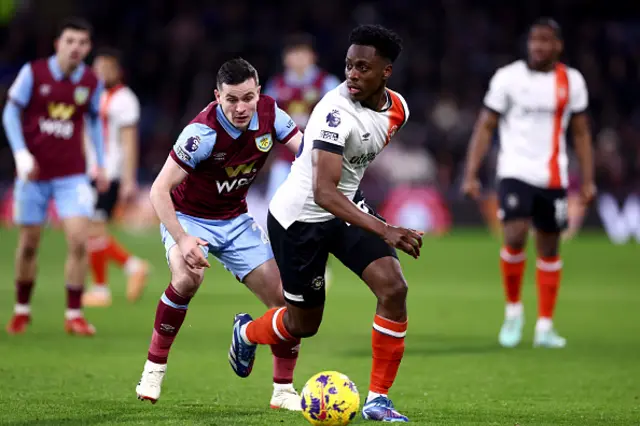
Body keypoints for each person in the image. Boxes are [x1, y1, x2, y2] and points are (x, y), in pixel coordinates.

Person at [228, 25, 422, 422]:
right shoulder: (334, 112)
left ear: (386, 71)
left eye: (363, 68)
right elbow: (323, 192)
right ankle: (247, 333)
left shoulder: (398, 109)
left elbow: (350, 177)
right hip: (300, 220)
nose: (352, 74)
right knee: (304, 325)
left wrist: (371, 220)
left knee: (394, 287)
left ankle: (377, 400)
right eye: (349, 66)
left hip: (344, 208)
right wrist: (385, 228)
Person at [135, 58, 304, 411]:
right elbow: (158, 190)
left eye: (248, 97)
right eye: (231, 100)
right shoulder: (202, 133)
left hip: (235, 219)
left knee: (287, 303)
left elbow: (307, 154)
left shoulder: (273, 114)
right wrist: (182, 238)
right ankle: (154, 368)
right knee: (187, 278)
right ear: (217, 96)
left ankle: (283, 390)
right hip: (189, 218)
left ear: (259, 92)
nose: (241, 108)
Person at [462, 18, 595, 349]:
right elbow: (485, 125)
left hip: (554, 176)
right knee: (515, 236)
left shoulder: (572, 80)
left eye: (546, 40)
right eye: (534, 40)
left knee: (550, 247)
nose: (538, 46)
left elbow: (580, 131)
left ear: (558, 45)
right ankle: (513, 313)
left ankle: (545, 326)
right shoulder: (508, 78)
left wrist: (589, 180)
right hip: (515, 171)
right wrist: (470, 172)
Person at [3, 17, 107, 336]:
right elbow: (10, 112)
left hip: (71, 175)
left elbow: (91, 123)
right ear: (57, 44)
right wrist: (20, 153)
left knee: (78, 240)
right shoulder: (33, 73)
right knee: (29, 244)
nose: (76, 48)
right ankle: (22, 310)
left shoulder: (91, 81)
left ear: (88, 48)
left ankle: (74, 314)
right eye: (70, 41)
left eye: (83, 43)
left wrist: (99, 163)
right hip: (34, 174)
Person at [82, 47, 149, 307]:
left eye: (106, 69)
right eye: (97, 69)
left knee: (95, 229)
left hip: (111, 173)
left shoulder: (125, 99)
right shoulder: (93, 96)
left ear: (117, 71)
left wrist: (129, 179)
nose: (100, 74)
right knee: (92, 231)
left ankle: (104, 286)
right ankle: (129, 269)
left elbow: (129, 141)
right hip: (92, 171)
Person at [262, 33, 341, 204]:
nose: (298, 59)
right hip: (285, 159)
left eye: (303, 53)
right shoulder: (276, 86)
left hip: (318, 160)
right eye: (293, 54)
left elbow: (342, 115)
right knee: (274, 205)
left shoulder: (327, 83)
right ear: (285, 59)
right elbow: (263, 119)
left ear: (313, 57)